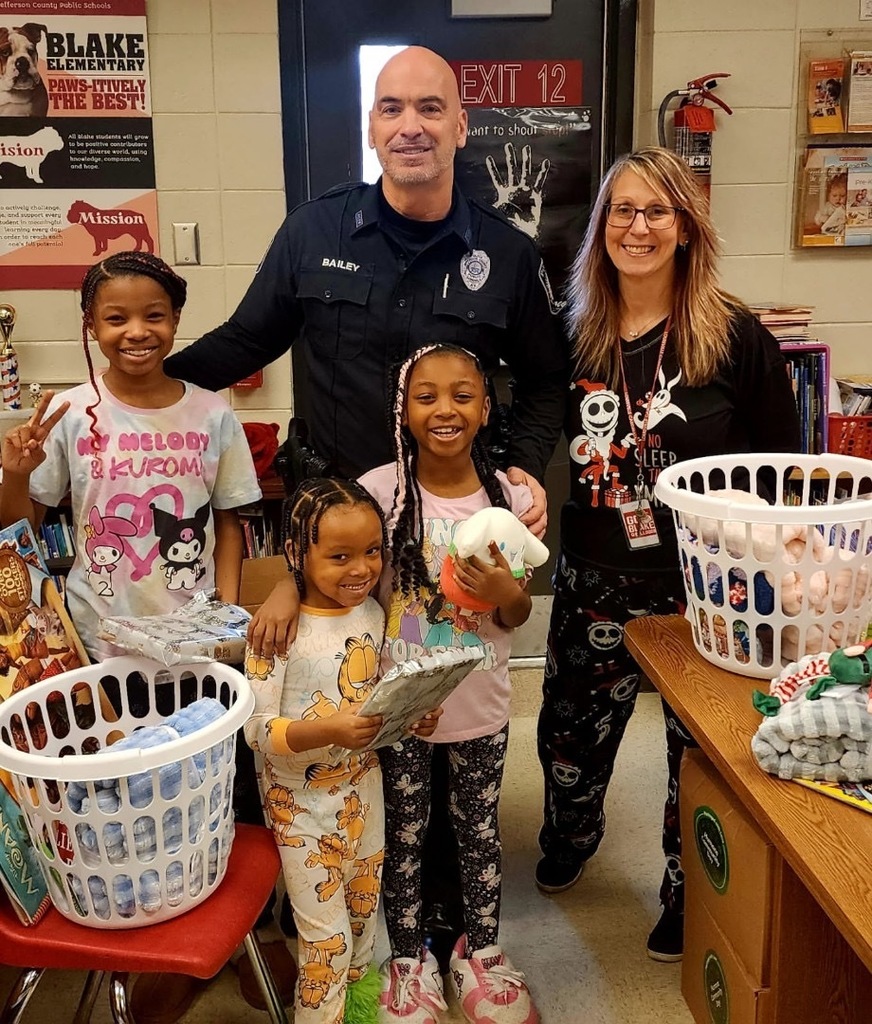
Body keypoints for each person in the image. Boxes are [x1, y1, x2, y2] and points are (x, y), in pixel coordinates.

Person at [163, 42, 567, 991]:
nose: (411, 126)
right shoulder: (314, 232)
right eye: (392, 109)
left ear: (463, 128)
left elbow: (545, 382)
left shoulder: (503, 256)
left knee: (441, 713)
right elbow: (243, 340)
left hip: (441, 535)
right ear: (372, 126)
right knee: (330, 720)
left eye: (432, 109)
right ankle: (341, 911)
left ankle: (439, 934)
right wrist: (139, 389)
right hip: (332, 544)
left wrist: (516, 464)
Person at [534, 147, 801, 963]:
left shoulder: (735, 335)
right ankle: (572, 834)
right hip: (592, 576)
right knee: (569, 738)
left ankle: (687, 890)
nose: (639, 227)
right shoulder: (570, 334)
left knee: (700, 752)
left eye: (657, 211)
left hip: (705, 587)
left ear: (685, 228)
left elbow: (784, 469)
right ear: (600, 228)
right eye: (622, 211)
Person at [359, 343, 539, 1024]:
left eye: (463, 394)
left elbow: (520, 613)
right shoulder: (379, 492)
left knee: (478, 833)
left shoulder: (513, 498)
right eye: (426, 395)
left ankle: (482, 952)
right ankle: (409, 959)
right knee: (404, 835)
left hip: (483, 707)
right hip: (403, 709)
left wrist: (502, 591)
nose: (445, 408)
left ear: (486, 408)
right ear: (403, 411)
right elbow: (350, 588)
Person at [242, 476, 442, 1024]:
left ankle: (354, 1014)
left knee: (359, 928)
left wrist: (411, 715)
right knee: (324, 949)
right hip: (300, 809)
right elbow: (256, 731)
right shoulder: (274, 628)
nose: (361, 569)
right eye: (339, 556)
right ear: (296, 555)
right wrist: (328, 731)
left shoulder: (373, 615)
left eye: (373, 551)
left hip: (364, 798)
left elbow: (372, 709)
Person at [0, 251, 261, 661]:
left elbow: (228, 521)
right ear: (91, 324)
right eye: (117, 318)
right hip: (99, 640)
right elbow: (21, 531)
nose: (137, 332)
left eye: (154, 316)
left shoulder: (214, 413)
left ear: (175, 318)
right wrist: (16, 475)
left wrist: (223, 615)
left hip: (196, 640)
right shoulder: (67, 414)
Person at [814, 170, 847, 235]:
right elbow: (817, 218)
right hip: (829, 232)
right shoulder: (827, 206)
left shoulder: (845, 207)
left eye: (842, 196)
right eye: (834, 196)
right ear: (828, 195)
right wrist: (822, 218)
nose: (838, 198)